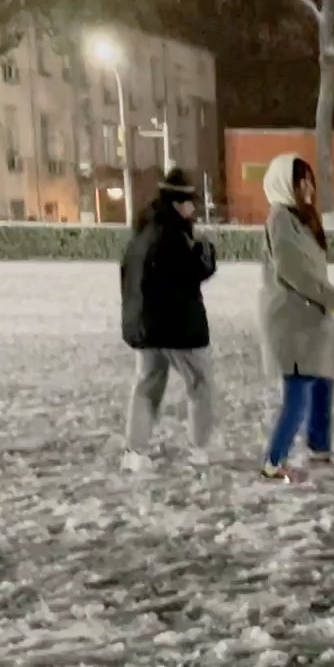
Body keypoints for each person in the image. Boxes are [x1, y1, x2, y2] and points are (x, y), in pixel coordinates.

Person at [258, 154, 334, 482]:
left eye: (310, 180)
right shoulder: (280, 218)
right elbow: (293, 271)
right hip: (292, 319)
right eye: (302, 180)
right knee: (298, 391)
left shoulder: (301, 219)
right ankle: (274, 460)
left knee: (323, 382)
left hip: (313, 317)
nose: (309, 187)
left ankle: (320, 450)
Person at [120, 170, 219, 472]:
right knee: (201, 384)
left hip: (146, 326)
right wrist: (207, 249)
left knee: (147, 386)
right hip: (176, 326)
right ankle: (201, 448)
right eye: (191, 203)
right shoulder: (173, 234)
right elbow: (192, 273)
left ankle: (135, 451)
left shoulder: (143, 230)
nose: (194, 209)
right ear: (178, 203)